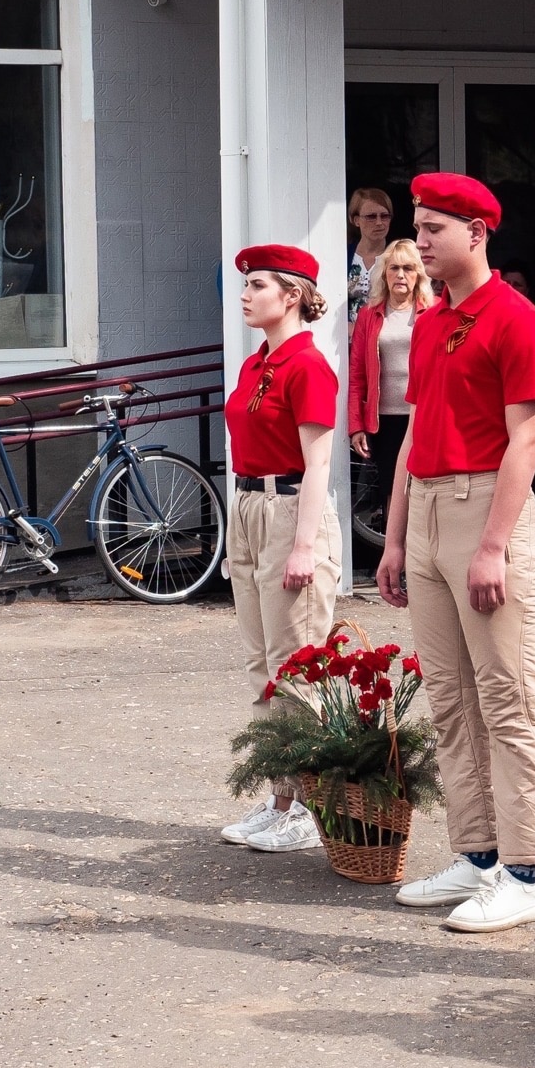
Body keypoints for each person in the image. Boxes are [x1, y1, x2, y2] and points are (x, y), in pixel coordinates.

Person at [378, 172, 535, 934]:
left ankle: (526, 872)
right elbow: (414, 436)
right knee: (452, 698)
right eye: (418, 228)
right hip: (427, 505)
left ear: (477, 232)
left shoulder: (515, 319)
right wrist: (394, 539)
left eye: (433, 229)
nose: (419, 242)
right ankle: (479, 853)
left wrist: (493, 544)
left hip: (485, 505)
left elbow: (527, 436)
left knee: (511, 697)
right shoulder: (431, 322)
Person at [218, 245, 345, 854]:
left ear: (291, 295)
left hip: (291, 509)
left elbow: (318, 462)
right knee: (260, 664)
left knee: (296, 667)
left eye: (258, 284)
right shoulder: (255, 365)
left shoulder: (308, 366)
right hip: (249, 507)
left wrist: (302, 546)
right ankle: (278, 796)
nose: (246, 294)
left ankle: (307, 807)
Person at [348, 236, 432, 503]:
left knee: (424, 489)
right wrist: (355, 425)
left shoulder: (435, 311)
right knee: (391, 494)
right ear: (384, 273)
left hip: (423, 415)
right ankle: (392, 545)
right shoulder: (368, 315)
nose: (401, 275)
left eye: (408, 268)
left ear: (418, 274)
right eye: (394, 268)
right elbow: (357, 375)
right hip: (384, 418)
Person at [345, 186, 396, 315]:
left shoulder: (397, 256)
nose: (379, 222)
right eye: (371, 216)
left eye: (384, 216)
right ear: (356, 220)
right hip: (346, 332)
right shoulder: (343, 256)